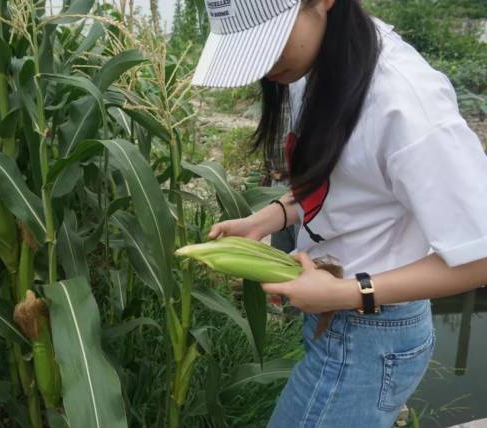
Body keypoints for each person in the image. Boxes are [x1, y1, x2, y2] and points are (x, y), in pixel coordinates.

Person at [192, 0, 487, 427]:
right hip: (340, 319)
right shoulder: (317, 61)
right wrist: (268, 218)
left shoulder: (407, 108)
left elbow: (479, 256)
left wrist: (347, 294)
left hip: (371, 335)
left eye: (267, 43)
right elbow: (347, 179)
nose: (263, 66)